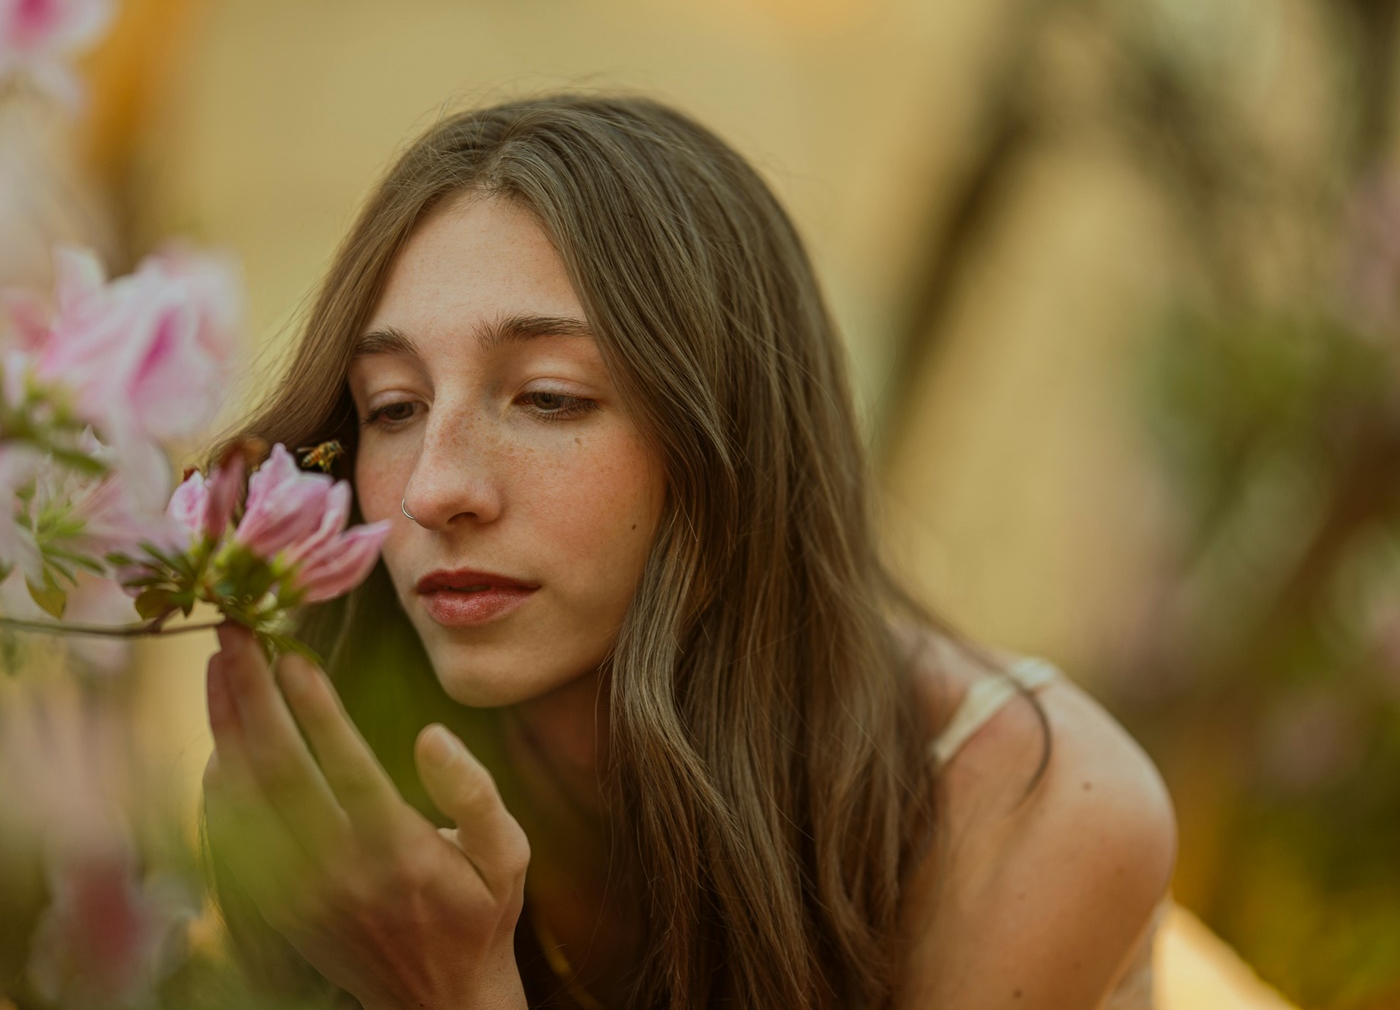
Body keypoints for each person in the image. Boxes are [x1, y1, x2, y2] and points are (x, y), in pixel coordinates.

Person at [198, 93, 1178, 1009]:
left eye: (548, 396)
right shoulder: (353, 779)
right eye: (394, 408)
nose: (432, 489)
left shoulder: (1035, 810)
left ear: (730, 446)